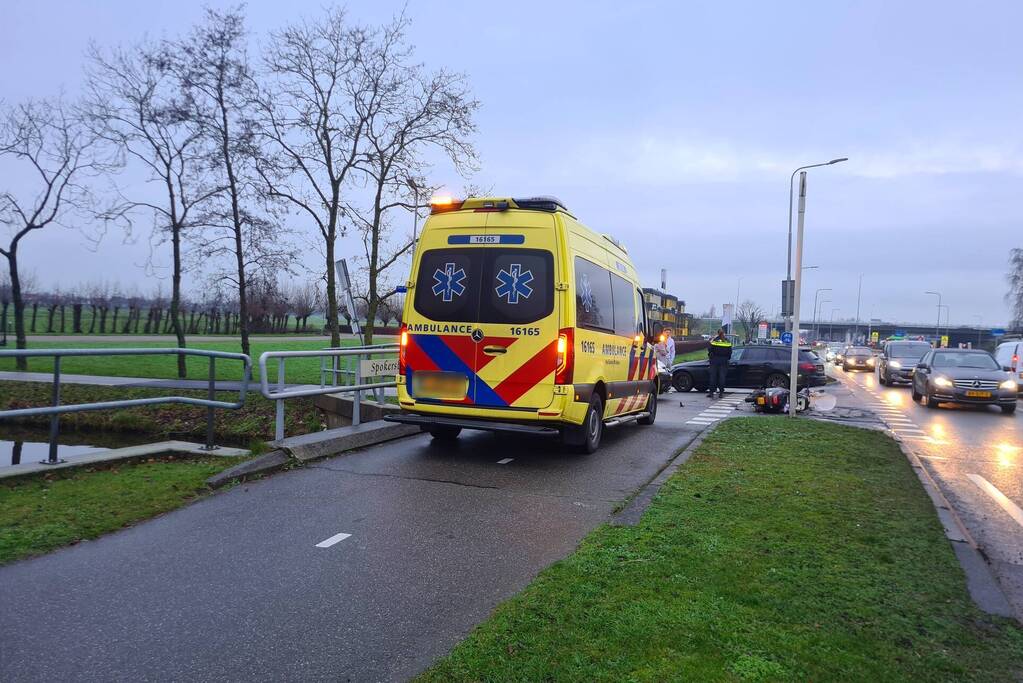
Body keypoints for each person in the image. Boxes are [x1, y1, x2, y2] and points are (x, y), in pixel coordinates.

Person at [707, 328, 732, 398]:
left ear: (718, 333)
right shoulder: (727, 341)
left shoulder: (714, 340)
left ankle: (711, 393)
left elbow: (709, 349)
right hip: (724, 361)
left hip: (714, 361)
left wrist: (711, 357)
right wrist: (727, 358)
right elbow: (730, 352)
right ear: (723, 333)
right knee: (722, 377)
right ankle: (721, 393)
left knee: (713, 377)